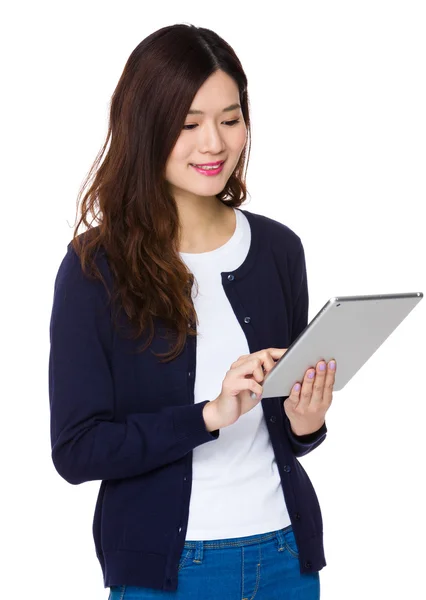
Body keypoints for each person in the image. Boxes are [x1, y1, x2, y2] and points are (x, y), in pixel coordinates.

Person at [48, 23, 336, 600]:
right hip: (169, 571)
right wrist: (207, 415)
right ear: (145, 128)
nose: (215, 144)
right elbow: (77, 450)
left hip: (285, 556)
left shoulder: (280, 249)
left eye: (230, 120)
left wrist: (307, 423)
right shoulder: (94, 267)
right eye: (187, 124)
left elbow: (281, 427)